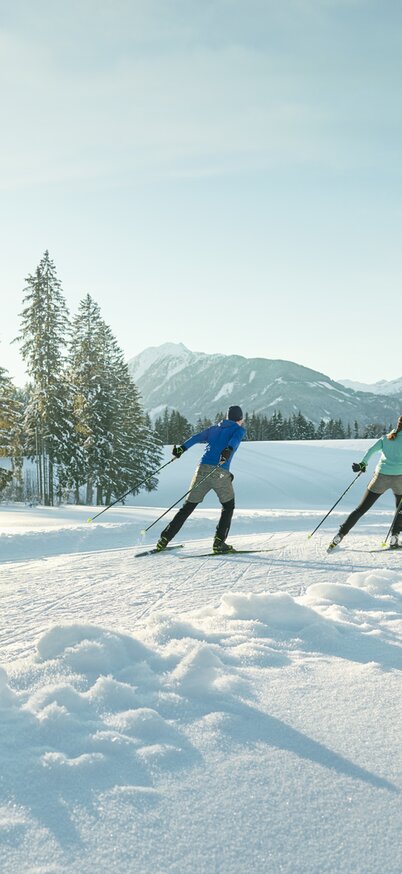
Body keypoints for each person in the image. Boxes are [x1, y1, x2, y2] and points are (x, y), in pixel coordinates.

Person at [156, 405, 246, 554]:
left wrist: (181, 449)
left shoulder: (214, 429)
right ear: (239, 419)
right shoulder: (238, 429)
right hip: (219, 471)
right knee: (228, 506)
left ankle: (164, 539)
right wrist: (228, 450)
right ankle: (219, 543)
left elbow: (196, 438)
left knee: (187, 507)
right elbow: (235, 441)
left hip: (201, 469)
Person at [328, 416, 402, 550]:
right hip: (400, 479)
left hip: (381, 477)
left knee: (361, 509)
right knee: (400, 510)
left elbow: (370, 451)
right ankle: (394, 537)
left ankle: (340, 535)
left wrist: (363, 464)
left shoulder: (386, 438)